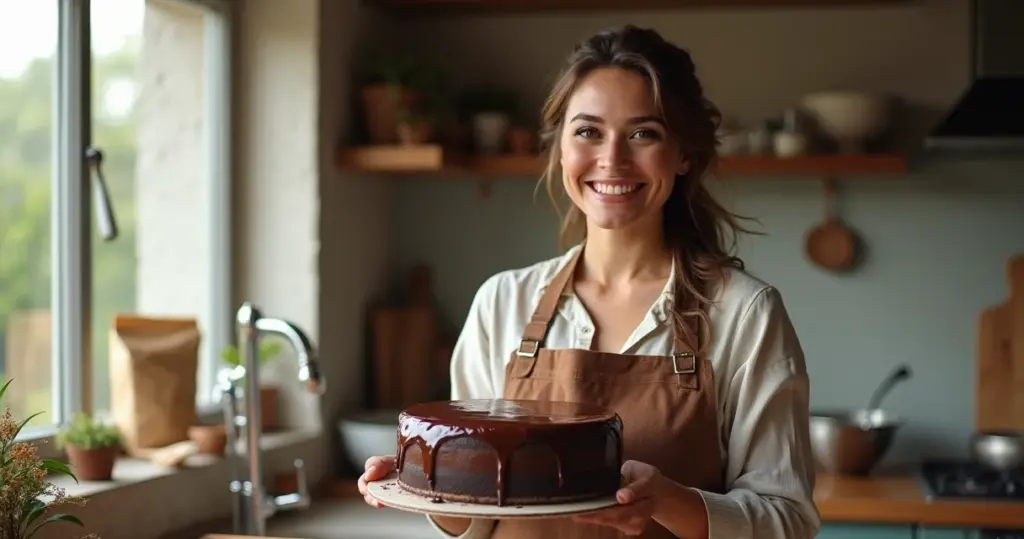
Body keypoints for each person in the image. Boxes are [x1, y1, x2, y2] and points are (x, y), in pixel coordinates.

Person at [357, 25, 820, 539]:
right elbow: (476, 515)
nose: (612, 159)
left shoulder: (744, 313)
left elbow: (788, 521)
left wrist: (668, 502)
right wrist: (423, 483)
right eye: (588, 131)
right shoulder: (502, 303)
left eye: (644, 133)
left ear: (684, 154)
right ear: (559, 150)